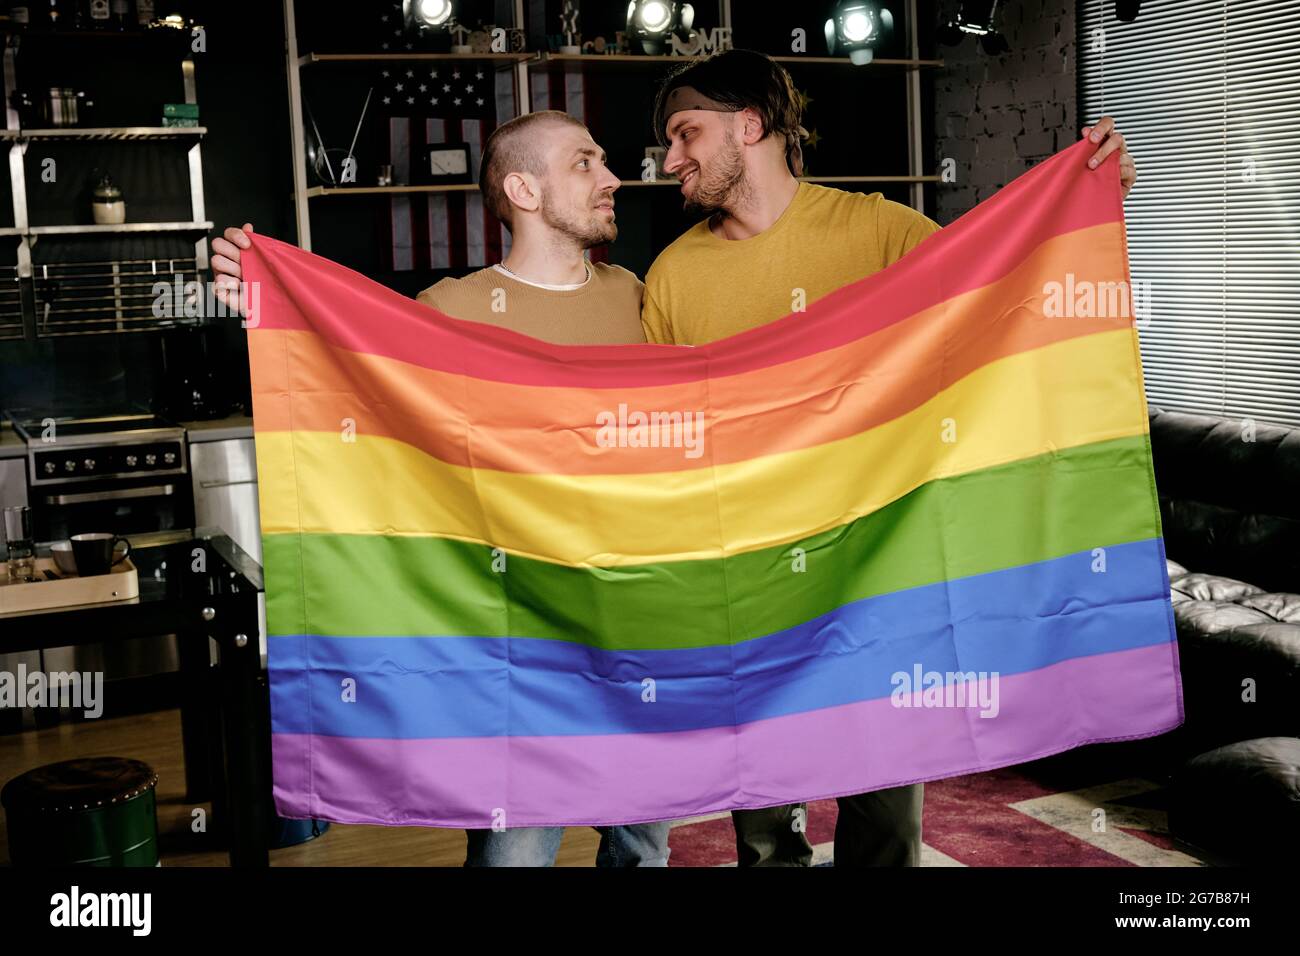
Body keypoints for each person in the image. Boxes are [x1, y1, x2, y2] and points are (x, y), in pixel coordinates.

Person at [641, 48, 1138, 866]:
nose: (671, 160)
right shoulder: (672, 276)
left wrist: (1085, 206)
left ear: (750, 126)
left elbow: (1003, 285)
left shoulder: (878, 231)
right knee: (766, 829)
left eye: (686, 134)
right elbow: (664, 436)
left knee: (884, 820)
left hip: (880, 564)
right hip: (751, 573)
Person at [210, 109, 672, 867]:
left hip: (639, 625)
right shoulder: (450, 311)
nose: (613, 177)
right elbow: (350, 381)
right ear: (523, 188)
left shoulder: (639, 298)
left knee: (643, 852)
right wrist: (269, 302)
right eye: (586, 162)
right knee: (513, 857)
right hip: (516, 644)